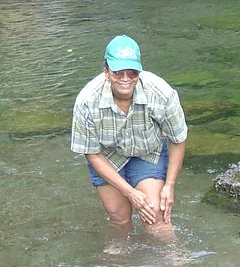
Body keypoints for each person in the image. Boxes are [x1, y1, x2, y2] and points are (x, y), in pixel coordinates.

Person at [70, 35, 188, 233]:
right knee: (119, 218)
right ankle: (121, 261)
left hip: (148, 151)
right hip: (107, 156)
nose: (125, 79)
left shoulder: (161, 93)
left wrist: (170, 185)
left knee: (156, 217)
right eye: (118, 72)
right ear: (106, 71)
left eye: (132, 72)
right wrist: (130, 193)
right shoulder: (87, 101)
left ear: (139, 71)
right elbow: (91, 152)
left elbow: (178, 138)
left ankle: (173, 260)